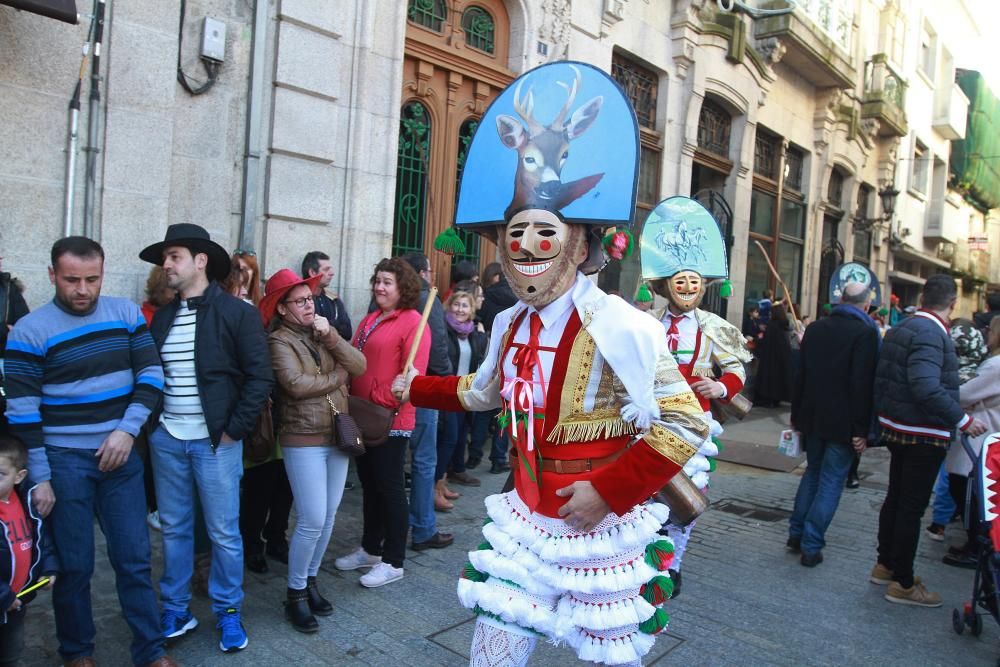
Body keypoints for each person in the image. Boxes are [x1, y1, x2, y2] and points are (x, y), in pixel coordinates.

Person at [394, 61, 710, 664]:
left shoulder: (625, 324)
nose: (527, 247)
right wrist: (418, 388)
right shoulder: (510, 321)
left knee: (607, 658)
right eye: (516, 235)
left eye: (545, 232)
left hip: (600, 529)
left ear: (581, 246)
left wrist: (610, 492)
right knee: (493, 649)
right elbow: (485, 392)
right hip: (525, 516)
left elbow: (686, 423)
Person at [4, 236, 174, 666]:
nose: (83, 290)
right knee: (76, 567)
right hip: (64, 463)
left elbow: (151, 376)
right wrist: (40, 477)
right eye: (72, 280)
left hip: (121, 456)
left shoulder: (125, 313)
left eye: (92, 279)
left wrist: (126, 432)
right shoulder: (29, 331)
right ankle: (77, 653)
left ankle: (151, 652)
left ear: (103, 273)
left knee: (135, 560)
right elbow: (24, 414)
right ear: (52, 275)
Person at [140, 224, 273, 652]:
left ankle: (228, 610)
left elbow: (260, 378)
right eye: (165, 258)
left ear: (200, 261)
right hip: (168, 440)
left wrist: (234, 430)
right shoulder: (162, 317)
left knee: (223, 532)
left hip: (216, 442)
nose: (166, 265)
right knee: (175, 528)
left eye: (174, 256)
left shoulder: (237, 313)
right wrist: (154, 427)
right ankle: (176, 609)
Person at [641, 196, 753, 596]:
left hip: (695, 422)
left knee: (687, 498)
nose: (687, 288)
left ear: (703, 286)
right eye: (679, 281)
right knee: (647, 493)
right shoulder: (647, 322)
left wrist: (721, 386)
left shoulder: (713, 326)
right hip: (650, 421)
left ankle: (674, 564)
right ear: (665, 285)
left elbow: (737, 369)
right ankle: (646, 557)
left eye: (693, 281)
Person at [871, 274, 988, 607]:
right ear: (952, 304)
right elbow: (924, 385)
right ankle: (903, 583)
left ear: (923, 298)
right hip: (921, 433)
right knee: (909, 507)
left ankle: (886, 564)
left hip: (900, 427)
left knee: (896, 498)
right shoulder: (929, 332)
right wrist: (963, 419)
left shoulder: (905, 327)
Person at [261, 269, 367, 631]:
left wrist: (333, 338)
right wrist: (338, 378)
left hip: (336, 435)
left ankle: (310, 581)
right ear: (283, 309)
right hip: (302, 437)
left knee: (330, 515)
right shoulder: (278, 341)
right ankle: (294, 594)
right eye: (301, 301)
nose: (310, 305)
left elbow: (360, 364)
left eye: (311, 299)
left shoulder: (323, 333)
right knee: (312, 519)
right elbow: (294, 384)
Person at [334, 257, 431, 586]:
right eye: (377, 280)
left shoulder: (414, 323)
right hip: (361, 414)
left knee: (389, 488)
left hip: (391, 419)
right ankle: (370, 549)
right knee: (370, 486)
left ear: (402, 287)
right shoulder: (370, 318)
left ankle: (394, 560)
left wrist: (383, 399)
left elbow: (412, 377)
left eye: (387, 282)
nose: (379, 287)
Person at [787, 282, 878, 566]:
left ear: (840, 300)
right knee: (829, 480)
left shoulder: (816, 328)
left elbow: (800, 375)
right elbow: (862, 384)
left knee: (813, 473)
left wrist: (797, 415)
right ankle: (811, 545)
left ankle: (796, 533)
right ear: (865, 305)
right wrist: (861, 430)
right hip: (843, 422)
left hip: (813, 417)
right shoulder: (865, 332)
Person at [399, 253, 457, 545]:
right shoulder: (426, 298)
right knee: (423, 459)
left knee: (397, 461)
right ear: (422, 273)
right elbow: (437, 346)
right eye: (431, 271)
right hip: (421, 387)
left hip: (394, 387)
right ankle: (422, 528)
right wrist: (445, 382)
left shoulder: (389, 296)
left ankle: (393, 529)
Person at [942, 317, 1000, 567]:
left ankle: (977, 546)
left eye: (992, 330)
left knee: (967, 490)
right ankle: (976, 544)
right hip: (984, 432)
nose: (987, 333)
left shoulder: (995, 365)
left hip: (979, 436)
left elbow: (964, 394)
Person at [0, 434, 59, 667]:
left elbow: (41, 541)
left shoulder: (27, 502)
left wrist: (49, 567)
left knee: (10, 654)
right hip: (7, 598)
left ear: (19, 476)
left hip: (17, 603)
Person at [436, 290, 488, 511]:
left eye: (465, 306)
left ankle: (444, 481)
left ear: (471, 310)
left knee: (458, 437)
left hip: (467, 394)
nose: (460, 309)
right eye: (457, 305)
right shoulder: (445, 331)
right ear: (450, 306)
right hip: (448, 392)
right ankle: (437, 486)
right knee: (448, 439)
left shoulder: (473, 333)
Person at [302, 251, 353, 341]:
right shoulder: (299, 300)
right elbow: (307, 332)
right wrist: (335, 324)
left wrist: (326, 324)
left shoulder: (333, 300)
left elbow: (347, 332)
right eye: (326, 269)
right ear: (312, 272)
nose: (332, 273)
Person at [753, 302, 793, 407]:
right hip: (782, 357)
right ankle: (776, 399)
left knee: (770, 379)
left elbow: (766, 341)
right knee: (779, 378)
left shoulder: (772, 325)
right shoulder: (784, 325)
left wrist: (758, 340)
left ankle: (768, 399)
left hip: (771, 358)